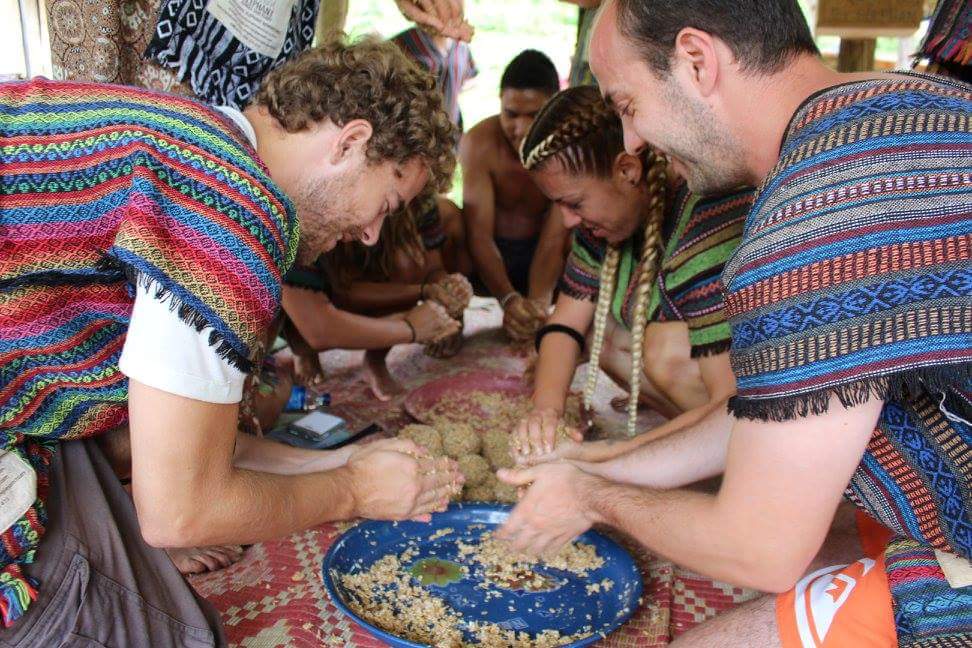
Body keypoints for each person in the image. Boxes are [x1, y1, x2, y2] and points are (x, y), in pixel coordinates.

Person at [497, 1, 972, 646]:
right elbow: (766, 413)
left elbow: (760, 548)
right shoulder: (908, 109)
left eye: (628, 106)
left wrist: (591, 499)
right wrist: (606, 462)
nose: (630, 143)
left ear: (697, 61)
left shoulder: (817, 218)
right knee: (833, 532)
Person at [0, 37, 464, 644]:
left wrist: (343, 461)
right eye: (386, 203)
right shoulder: (232, 204)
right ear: (349, 143)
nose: (373, 233)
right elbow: (180, 512)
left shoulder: (199, 142)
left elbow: (187, 447)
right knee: (174, 634)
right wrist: (355, 491)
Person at [511, 86, 751, 462]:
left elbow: (731, 402)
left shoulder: (702, 221)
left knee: (662, 350)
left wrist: (609, 457)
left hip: (753, 408)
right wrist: (546, 411)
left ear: (627, 170)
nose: (566, 220)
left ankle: (728, 461)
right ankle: (685, 438)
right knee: (596, 333)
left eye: (574, 203)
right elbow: (566, 323)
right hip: (718, 394)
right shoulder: (601, 224)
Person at [460, 49, 570, 341]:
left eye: (534, 115)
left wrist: (537, 306)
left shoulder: (567, 149)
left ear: (553, 108)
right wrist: (508, 299)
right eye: (511, 114)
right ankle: (449, 319)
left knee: (583, 231)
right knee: (447, 219)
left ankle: (570, 320)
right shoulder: (478, 142)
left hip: (545, 258)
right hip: (487, 262)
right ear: (499, 102)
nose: (521, 128)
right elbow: (478, 235)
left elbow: (553, 241)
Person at [392, 6, 478, 133]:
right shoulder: (403, 43)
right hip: (413, 129)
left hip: (451, 127)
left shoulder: (461, 46)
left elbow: (470, 78)